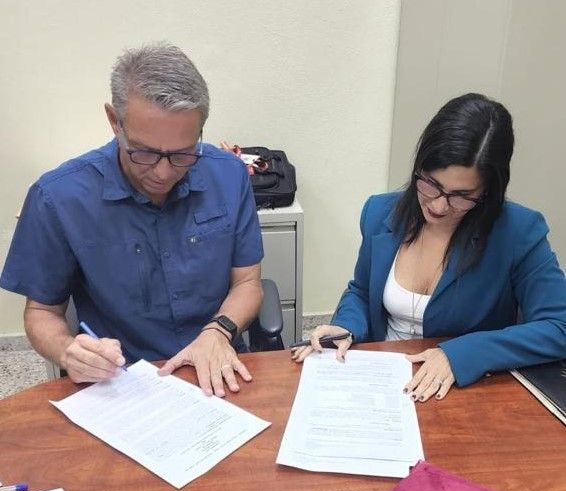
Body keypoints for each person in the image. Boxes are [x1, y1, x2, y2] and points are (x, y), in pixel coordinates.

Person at [0, 42, 264, 398]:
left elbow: (248, 283)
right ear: (114, 121)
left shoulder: (229, 176)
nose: (163, 172)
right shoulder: (59, 197)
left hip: (216, 366)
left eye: (183, 154)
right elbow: (42, 311)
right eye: (145, 153)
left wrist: (217, 333)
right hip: (122, 382)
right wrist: (67, 350)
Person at [292, 93, 566, 402]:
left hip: (462, 391)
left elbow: (559, 326)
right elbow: (361, 289)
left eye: (461, 195)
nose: (437, 206)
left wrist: (460, 354)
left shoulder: (519, 232)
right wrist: (346, 326)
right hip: (381, 381)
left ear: (488, 191)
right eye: (431, 184)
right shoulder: (379, 212)